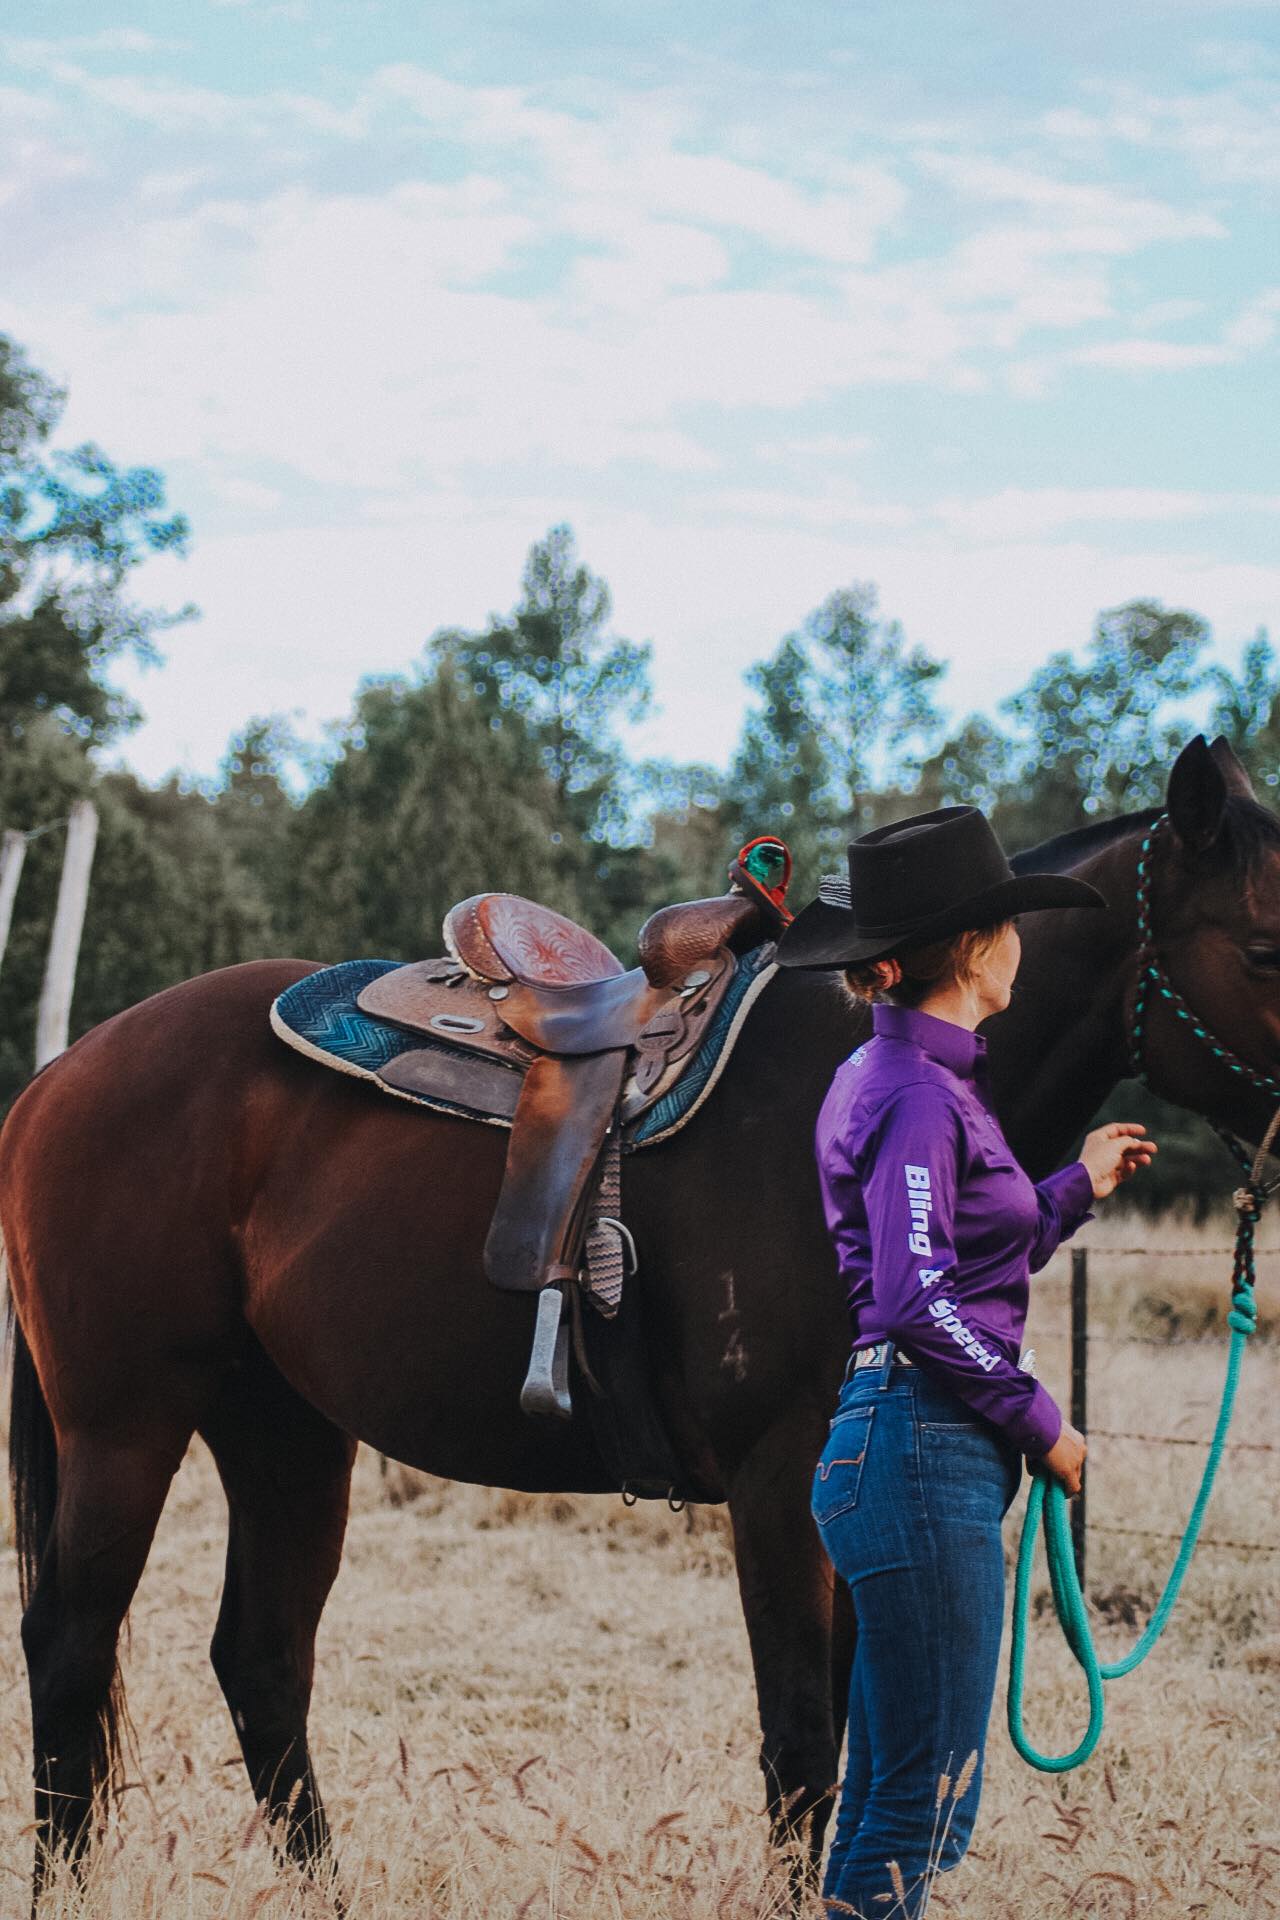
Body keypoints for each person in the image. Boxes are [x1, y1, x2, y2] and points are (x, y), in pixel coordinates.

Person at [776, 806, 1156, 1920]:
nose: (1018, 940)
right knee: (920, 1809)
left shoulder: (912, 1083)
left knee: (899, 1802)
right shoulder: (910, 1095)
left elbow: (961, 1252)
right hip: (918, 1449)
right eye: (1007, 922)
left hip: (908, 1450)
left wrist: (1076, 1184)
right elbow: (911, 1297)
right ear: (978, 948)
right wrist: (1040, 1420)